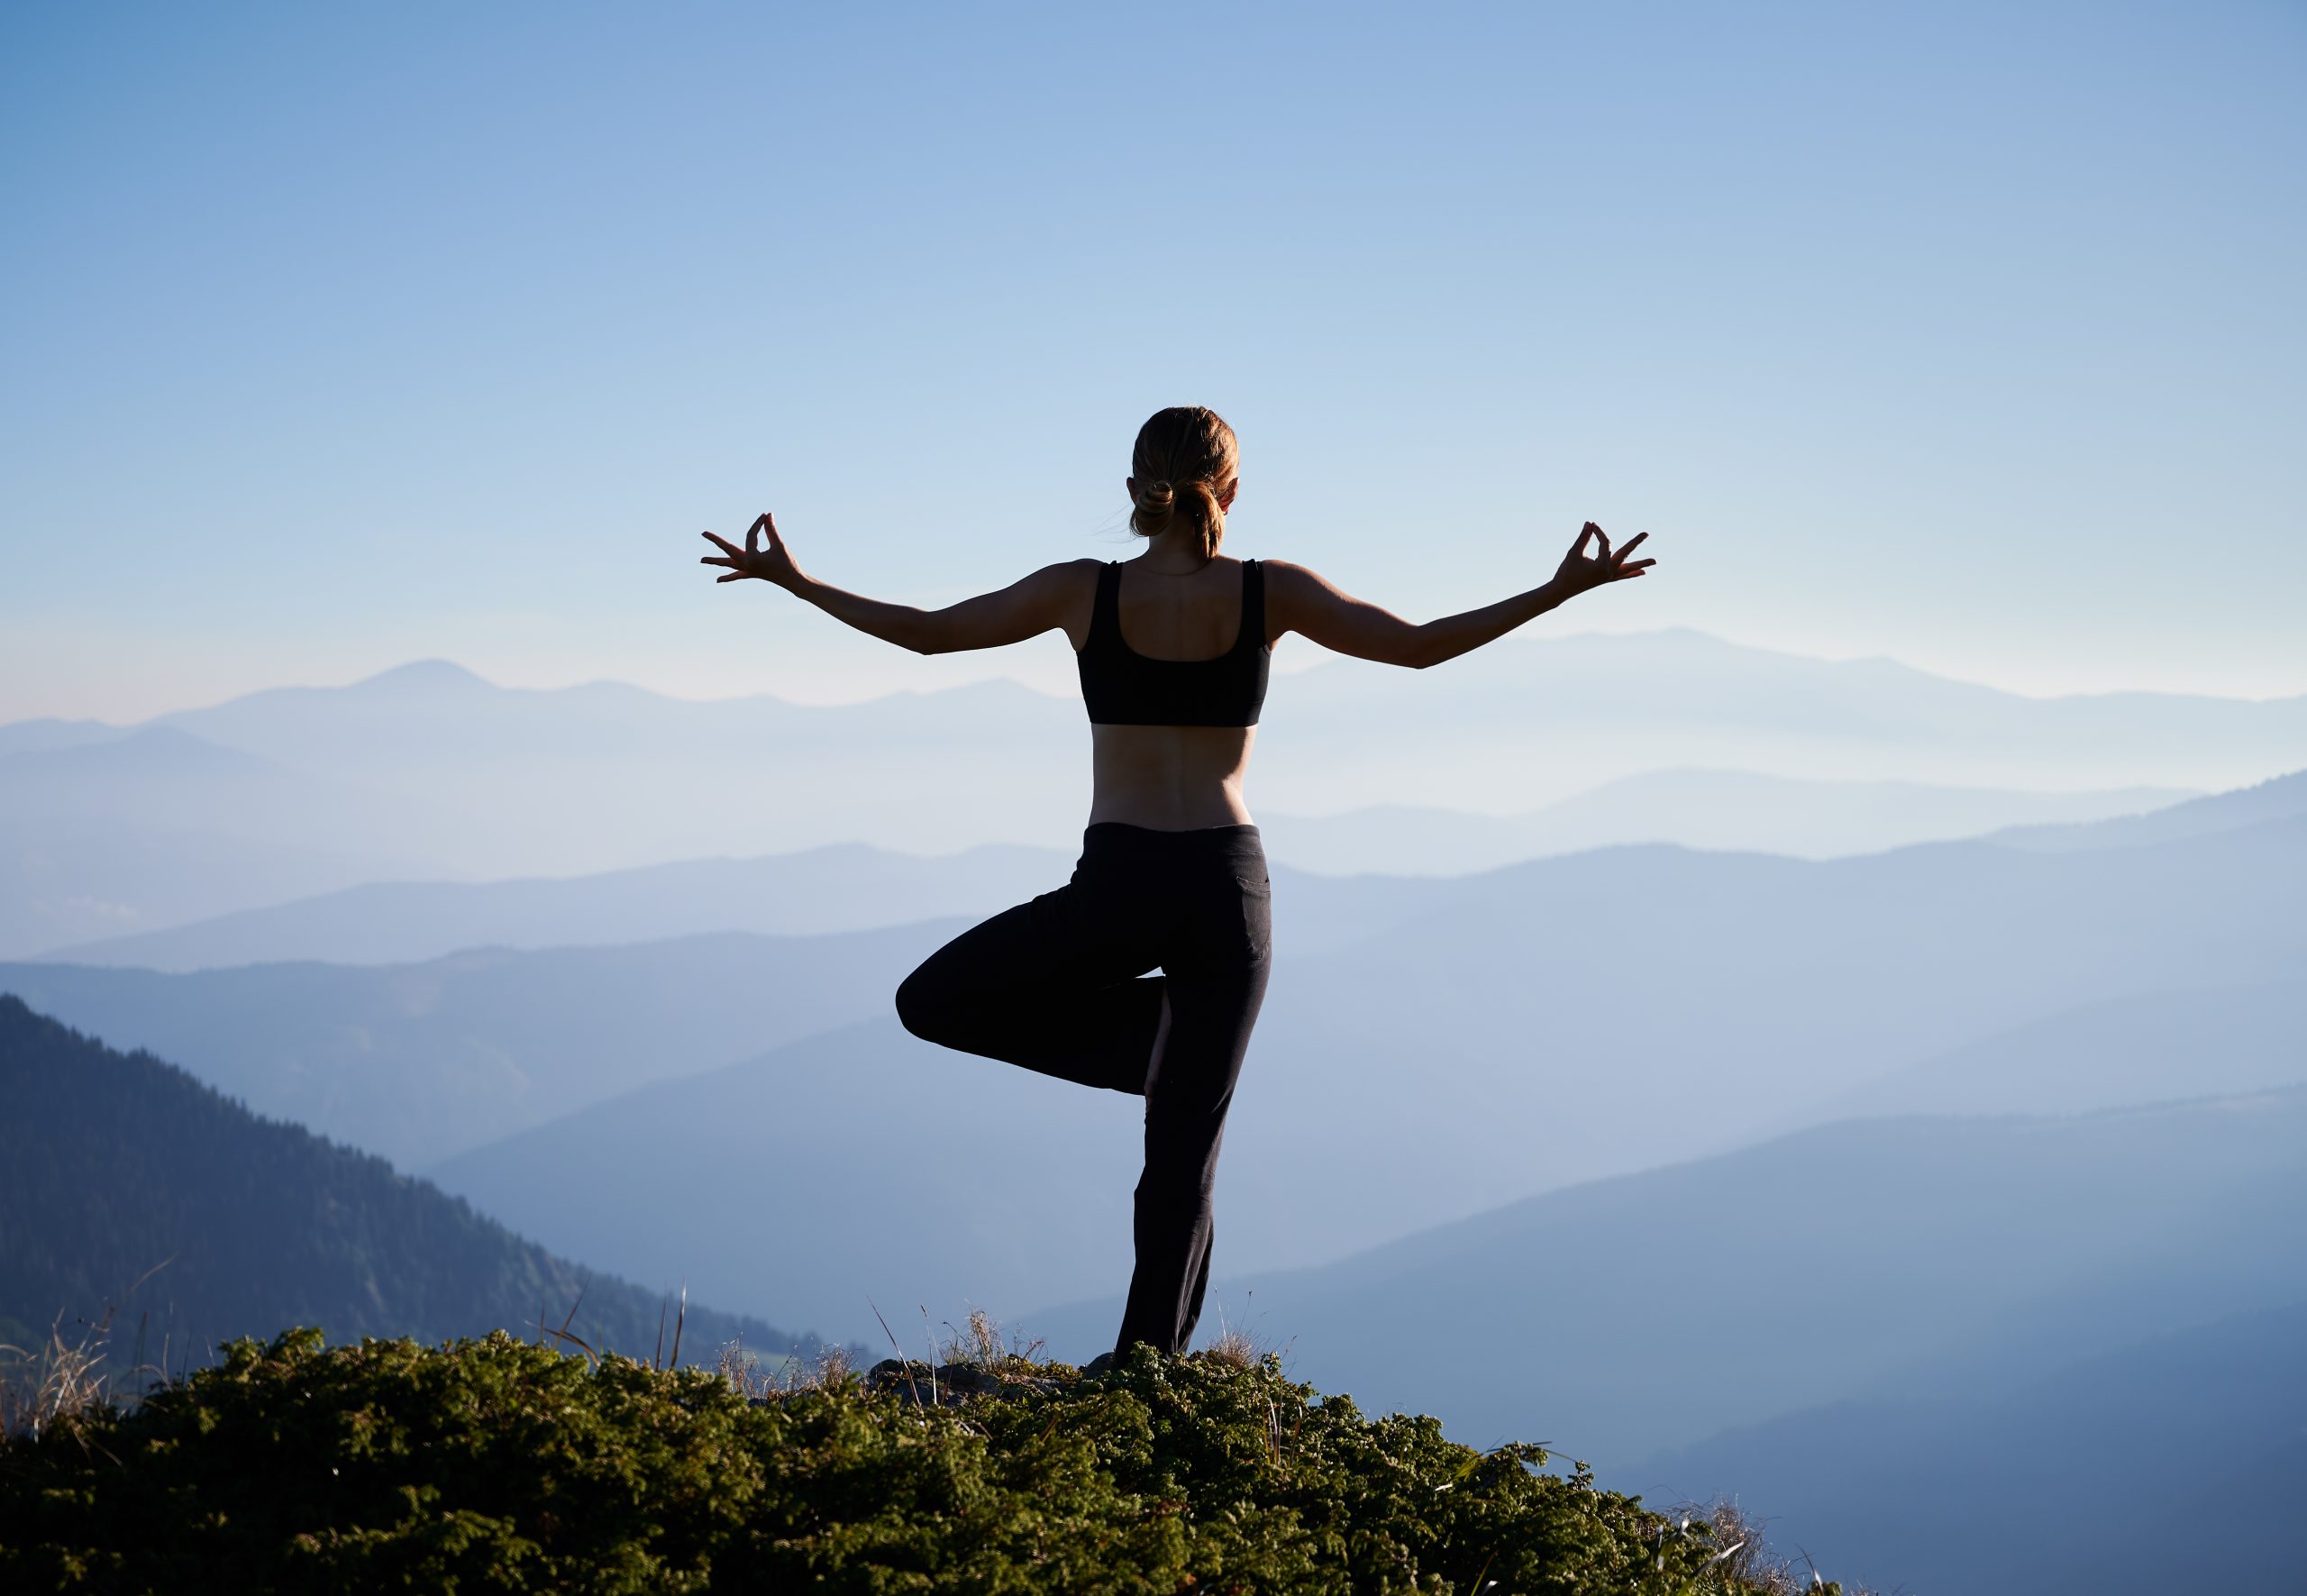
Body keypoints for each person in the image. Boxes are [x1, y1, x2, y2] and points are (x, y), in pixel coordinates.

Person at [698, 405, 1655, 1370]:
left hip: (1118, 880)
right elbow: (1416, 645)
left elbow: (929, 635)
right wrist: (1557, 591)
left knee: (936, 999)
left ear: (1133, 490)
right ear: (1230, 491)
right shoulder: (1269, 591)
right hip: (1225, 891)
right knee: (1182, 1156)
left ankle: (1150, 1118)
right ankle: (1145, 1367)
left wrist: (795, 582)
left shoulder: (1084, 592)